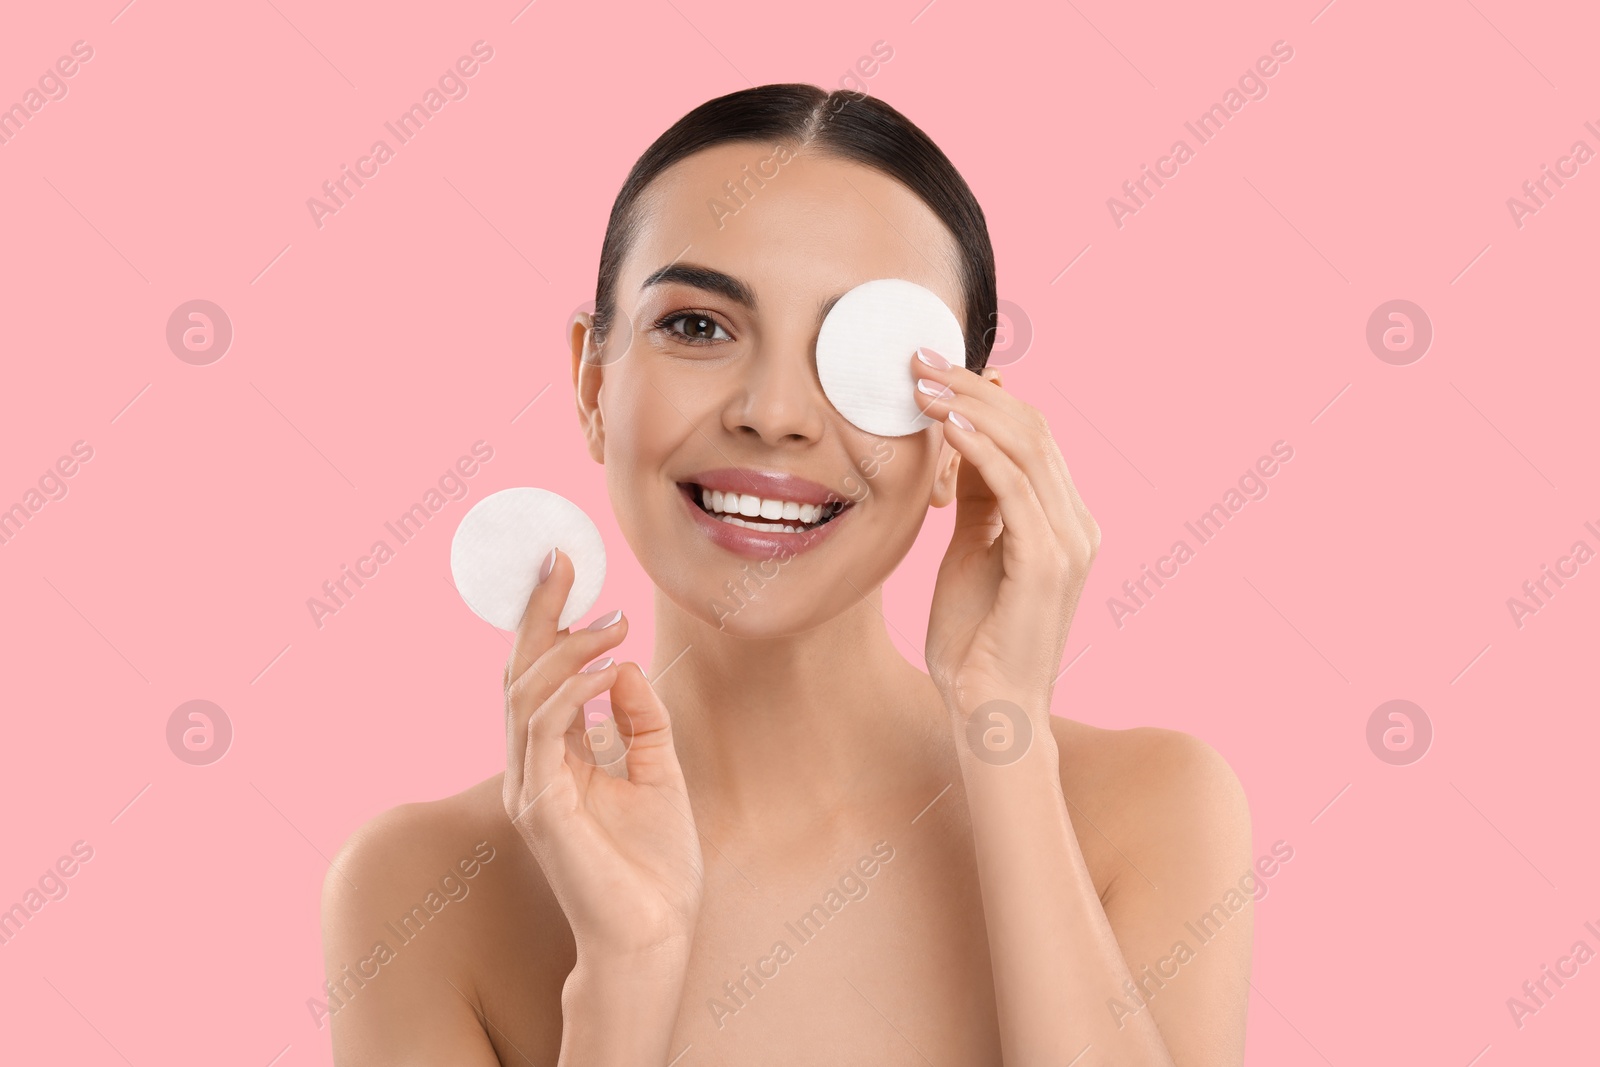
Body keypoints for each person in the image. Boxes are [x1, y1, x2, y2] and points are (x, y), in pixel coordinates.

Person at [321, 82, 1252, 1066]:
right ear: (594, 384)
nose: (774, 412)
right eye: (698, 327)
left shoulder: (1148, 808)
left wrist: (1002, 731)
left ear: (959, 439)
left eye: (865, 352)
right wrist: (624, 983)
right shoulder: (421, 889)